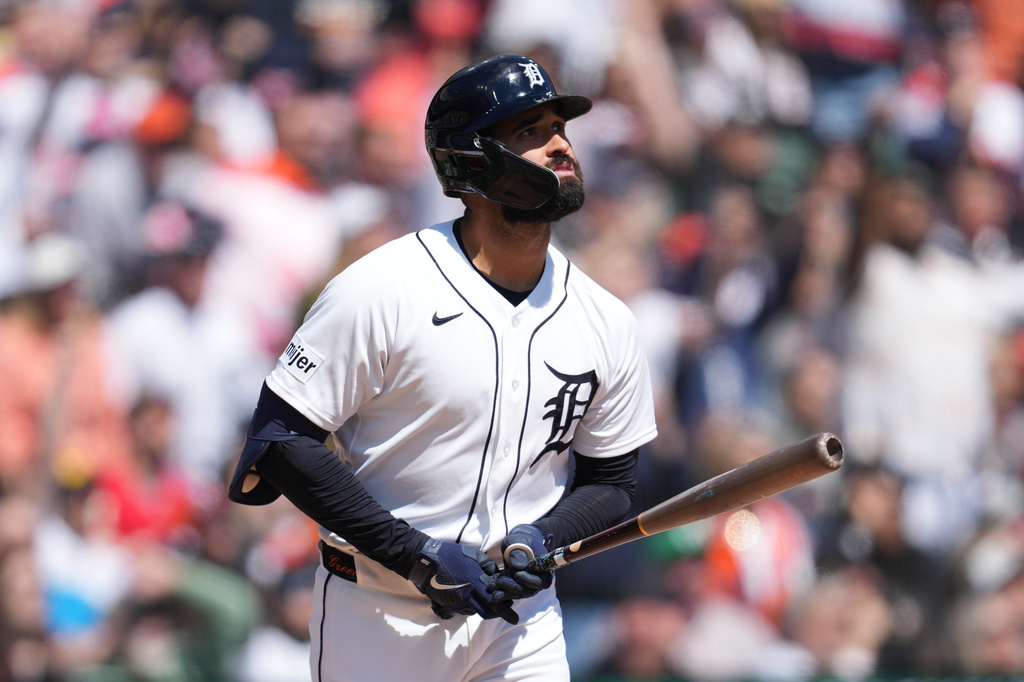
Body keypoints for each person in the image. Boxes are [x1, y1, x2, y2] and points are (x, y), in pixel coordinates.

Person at [226, 54, 658, 681]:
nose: (561, 145)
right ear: (473, 160)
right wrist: (416, 555)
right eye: (530, 133)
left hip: (522, 618)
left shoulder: (606, 320)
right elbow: (280, 442)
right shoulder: (382, 288)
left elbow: (612, 482)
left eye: (560, 129)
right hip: (379, 610)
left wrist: (544, 537)